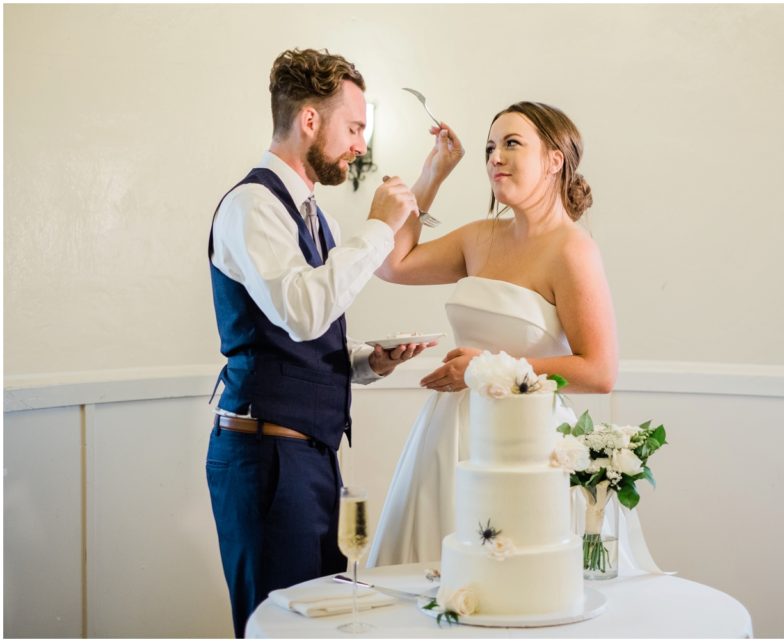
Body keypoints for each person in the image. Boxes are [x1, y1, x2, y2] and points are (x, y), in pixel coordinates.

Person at [205, 48, 463, 637]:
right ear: (311, 121)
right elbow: (302, 311)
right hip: (265, 458)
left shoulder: (313, 217)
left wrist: (369, 361)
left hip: (308, 457)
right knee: (280, 626)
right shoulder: (251, 206)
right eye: (353, 129)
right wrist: (376, 226)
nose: (359, 147)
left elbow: (301, 334)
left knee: (324, 626)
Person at [367, 101, 652, 569]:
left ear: (554, 160)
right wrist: (434, 173)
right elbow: (390, 264)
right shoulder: (479, 238)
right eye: (489, 147)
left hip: (525, 440)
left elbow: (599, 372)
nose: (495, 157)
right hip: (449, 437)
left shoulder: (573, 251)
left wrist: (485, 369)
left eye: (512, 144)